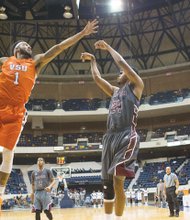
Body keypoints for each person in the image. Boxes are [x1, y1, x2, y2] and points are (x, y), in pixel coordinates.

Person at [0, 19, 98, 202]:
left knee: (7, 152)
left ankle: (0, 192)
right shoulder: (5, 61)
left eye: (28, 44)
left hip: (15, 112)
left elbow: (58, 47)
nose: (28, 45)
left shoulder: (35, 61)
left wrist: (82, 34)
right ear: (15, 50)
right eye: (24, 44)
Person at [81, 40, 144, 218]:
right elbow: (97, 79)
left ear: (131, 75)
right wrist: (93, 60)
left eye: (123, 72)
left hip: (126, 136)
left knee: (118, 182)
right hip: (109, 137)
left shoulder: (137, 86)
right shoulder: (115, 91)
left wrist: (108, 48)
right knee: (107, 187)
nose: (119, 72)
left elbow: (122, 63)